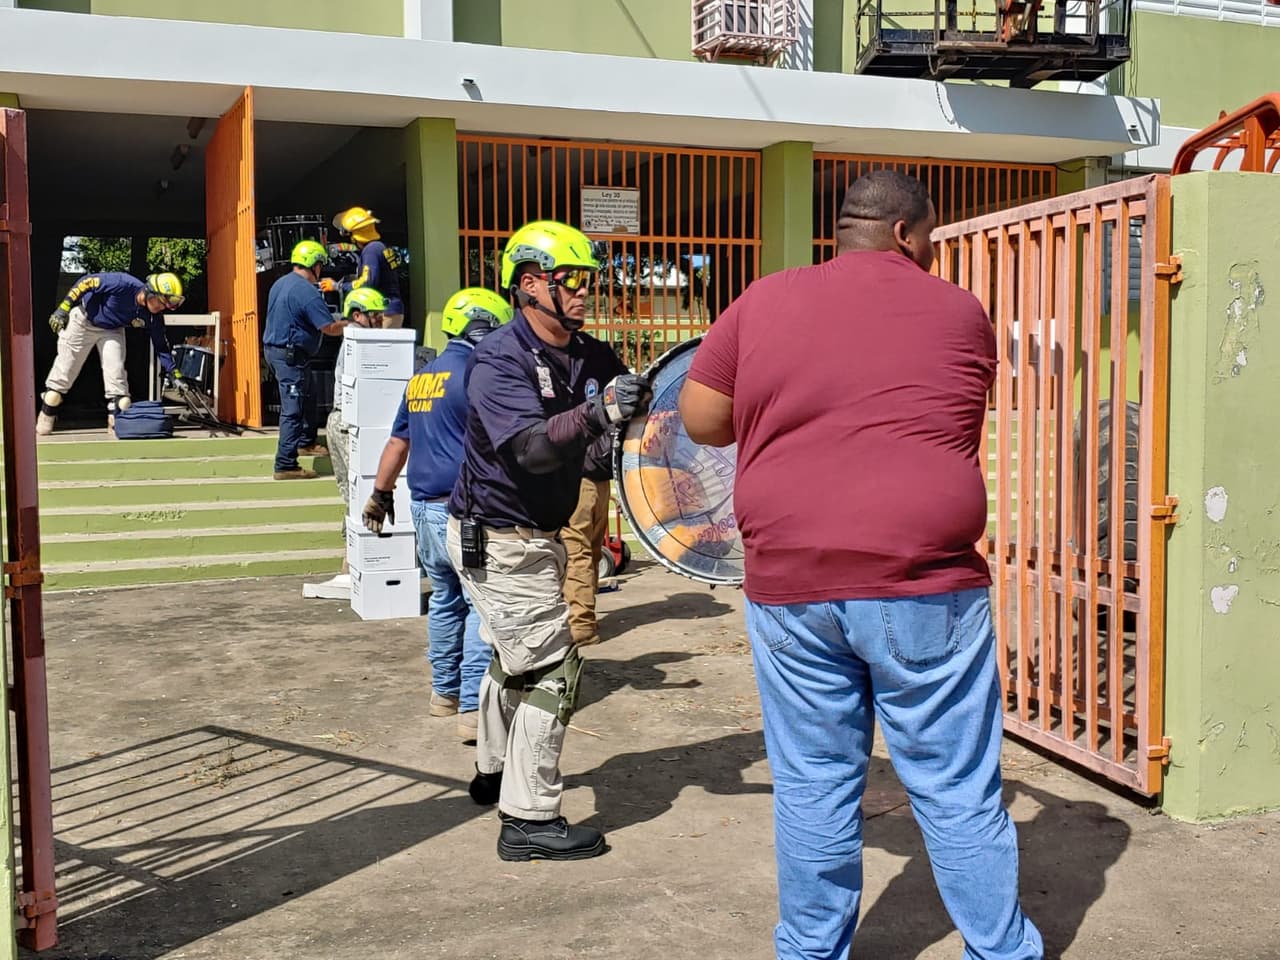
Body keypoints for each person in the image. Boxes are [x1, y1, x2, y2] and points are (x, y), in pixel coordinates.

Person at [678, 170, 1044, 960]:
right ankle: (1002, 952)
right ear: (910, 233)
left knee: (814, 782)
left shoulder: (764, 299)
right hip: (922, 583)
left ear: (844, 230)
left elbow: (702, 418)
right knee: (955, 786)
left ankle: (811, 952)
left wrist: (782, 405)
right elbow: (951, 405)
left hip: (792, 584)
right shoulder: (959, 310)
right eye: (934, 240)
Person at [444, 220, 650, 862]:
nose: (588, 291)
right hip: (497, 537)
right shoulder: (497, 359)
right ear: (531, 285)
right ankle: (529, 820)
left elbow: (634, 406)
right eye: (574, 280)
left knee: (513, 659)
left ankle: (493, 770)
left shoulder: (588, 354)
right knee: (553, 667)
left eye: (591, 279)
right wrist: (600, 412)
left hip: (541, 534)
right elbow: (531, 452)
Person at [362, 287, 512, 741]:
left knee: (445, 600)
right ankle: (472, 707)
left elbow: (397, 443)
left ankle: (443, 695)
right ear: (481, 326)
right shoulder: (477, 375)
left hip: (422, 507)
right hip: (465, 510)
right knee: (478, 606)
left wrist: (379, 494)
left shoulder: (422, 377)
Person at [37, 271, 185, 435]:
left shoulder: (153, 317)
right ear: (150, 292)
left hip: (112, 330)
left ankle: (116, 426)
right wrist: (63, 308)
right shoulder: (122, 283)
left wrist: (174, 373)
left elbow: (161, 345)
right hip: (83, 320)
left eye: (165, 306)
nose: (161, 308)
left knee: (119, 387)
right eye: (160, 302)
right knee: (63, 374)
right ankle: (46, 415)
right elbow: (86, 282)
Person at [263, 240, 353, 480]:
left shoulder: (280, 283)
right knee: (292, 409)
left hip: (276, 351)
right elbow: (329, 327)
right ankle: (285, 464)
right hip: (289, 355)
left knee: (309, 394)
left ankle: (306, 441)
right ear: (315, 265)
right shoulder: (306, 291)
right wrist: (352, 323)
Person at [560, 349, 628, 647]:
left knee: (577, 552)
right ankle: (586, 615)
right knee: (590, 548)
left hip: (577, 477)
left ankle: (580, 625)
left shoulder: (566, 378)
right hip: (601, 476)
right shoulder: (611, 382)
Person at [329, 206, 406, 328]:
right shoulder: (379, 246)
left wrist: (337, 286)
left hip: (384, 312)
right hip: (391, 309)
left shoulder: (371, 250)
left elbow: (367, 282)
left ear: (355, 236)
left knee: (380, 347)